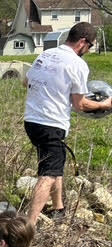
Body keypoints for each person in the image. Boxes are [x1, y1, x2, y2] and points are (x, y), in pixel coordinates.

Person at [24, 22, 112, 226]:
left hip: (31, 120)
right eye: (89, 47)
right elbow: (80, 104)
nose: (88, 51)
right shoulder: (77, 64)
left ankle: (59, 208)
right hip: (51, 123)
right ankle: (29, 226)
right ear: (82, 42)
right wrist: (104, 105)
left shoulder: (45, 55)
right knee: (47, 175)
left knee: (56, 164)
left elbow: (27, 81)